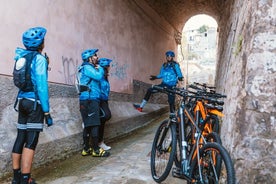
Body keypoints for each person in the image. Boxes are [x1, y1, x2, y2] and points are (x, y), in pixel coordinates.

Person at [11, 27, 53, 184]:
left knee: (20, 137)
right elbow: (42, 87)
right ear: (40, 43)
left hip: (21, 101)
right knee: (31, 140)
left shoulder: (21, 56)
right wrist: (47, 112)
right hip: (34, 103)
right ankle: (25, 179)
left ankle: (16, 178)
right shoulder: (39, 59)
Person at [79, 49, 110, 157]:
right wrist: (101, 68)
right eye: (95, 55)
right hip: (90, 99)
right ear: (90, 58)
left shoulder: (86, 67)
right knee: (95, 124)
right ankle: (96, 150)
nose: (97, 57)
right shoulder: (87, 67)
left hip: (86, 99)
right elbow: (98, 76)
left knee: (88, 125)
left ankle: (86, 148)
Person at [133, 50, 183, 115]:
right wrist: (156, 77)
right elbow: (161, 74)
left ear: (172, 57)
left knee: (171, 101)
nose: (168, 57)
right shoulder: (164, 65)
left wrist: (180, 77)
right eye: (167, 56)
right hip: (163, 85)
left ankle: (172, 116)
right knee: (150, 90)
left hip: (171, 87)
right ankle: (141, 107)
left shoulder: (175, 65)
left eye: (170, 56)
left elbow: (179, 73)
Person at [98, 58, 113, 151]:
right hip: (99, 100)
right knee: (107, 115)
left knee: (102, 122)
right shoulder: (99, 76)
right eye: (108, 66)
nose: (109, 67)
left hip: (105, 100)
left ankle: (100, 142)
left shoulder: (105, 77)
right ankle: (89, 122)